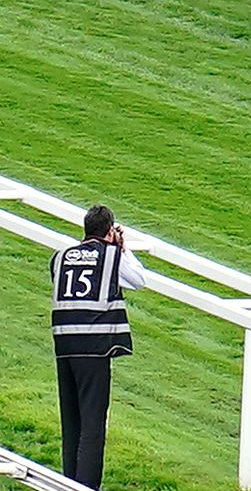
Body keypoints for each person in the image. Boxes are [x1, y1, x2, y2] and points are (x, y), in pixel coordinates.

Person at [51, 204, 145, 491]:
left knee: (72, 423)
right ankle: (86, 486)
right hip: (94, 346)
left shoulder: (60, 257)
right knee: (93, 426)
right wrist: (123, 248)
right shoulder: (111, 255)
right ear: (109, 230)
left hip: (64, 345)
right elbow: (139, 281)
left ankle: (69, 483)